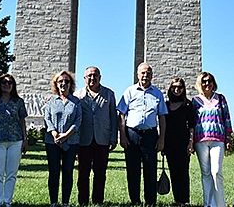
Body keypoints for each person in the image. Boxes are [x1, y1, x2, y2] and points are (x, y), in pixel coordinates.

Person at [117, 62, 168, 206]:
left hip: (150, 135)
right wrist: (123, 136)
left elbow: (162, 117)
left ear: (152, 75)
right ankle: (135, 200)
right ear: (137, 74)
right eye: (143, 72)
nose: (146, 75)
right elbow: (121, 114)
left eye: (148, 73)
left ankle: (150, 201)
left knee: (150, 169)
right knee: (133, 170)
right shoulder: (129, 91)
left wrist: (161, 139)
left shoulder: (157, 93)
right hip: (132, 134)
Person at [73, 66, 118, 206]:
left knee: (100, 172)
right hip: (83, 139)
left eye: (95, 75)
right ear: (84, 78)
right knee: (83, 172)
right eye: (89, 76)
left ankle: (98, 200)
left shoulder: (109, 94)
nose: (92, 78)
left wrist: (113, 137)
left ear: (100, 77)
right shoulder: (77, 95)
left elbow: (113, 117)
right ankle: (83, 201)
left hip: (102, 138)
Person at [192, 71, 232, 207]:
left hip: (218, 139)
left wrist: (228, 137)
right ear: (199, 84)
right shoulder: (195, 101)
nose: (207, 84)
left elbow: (226, 118)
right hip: (200, 140)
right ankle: (208, 204)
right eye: (203, 81)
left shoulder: (220, 98)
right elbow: (191, 122)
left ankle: (220, 204)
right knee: (206, 173)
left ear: (213, 83)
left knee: (216, 172)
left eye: (209, 81)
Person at [44, 70, 82, 207]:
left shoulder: (76, 102)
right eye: (61, 81)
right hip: (52, 141)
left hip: (71, 142)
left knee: (67, 171)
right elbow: (47, 118)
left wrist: (66, 135)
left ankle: (65, 202)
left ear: (71, 84)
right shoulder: (51, 101)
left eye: (67, 81)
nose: (64, 84)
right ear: (56, 84)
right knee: (53, 171)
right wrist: (54, 132)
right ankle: (53, 202)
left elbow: (78, 120)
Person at [0, 73, 29, 207]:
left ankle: (7, 201)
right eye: (4, 82)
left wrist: (25, 138)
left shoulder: (19, 101)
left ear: (13, 86)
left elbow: (22, 120)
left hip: (15, 140)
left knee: (11, 173)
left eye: (10, 83)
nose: (7, 85)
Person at [162, 77, 196, 206]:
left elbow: (191, 125)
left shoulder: (187, 105)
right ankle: (177, 200)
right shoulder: (166, 105)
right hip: (169, 142)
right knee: (173, 171)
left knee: (183, 171)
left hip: (183, 142)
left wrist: (191, 142)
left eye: (180, 87)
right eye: (174, 87)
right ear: (170, 89)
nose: (177, 89)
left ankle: (184, 200)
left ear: (183, 89)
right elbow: (163, 124)